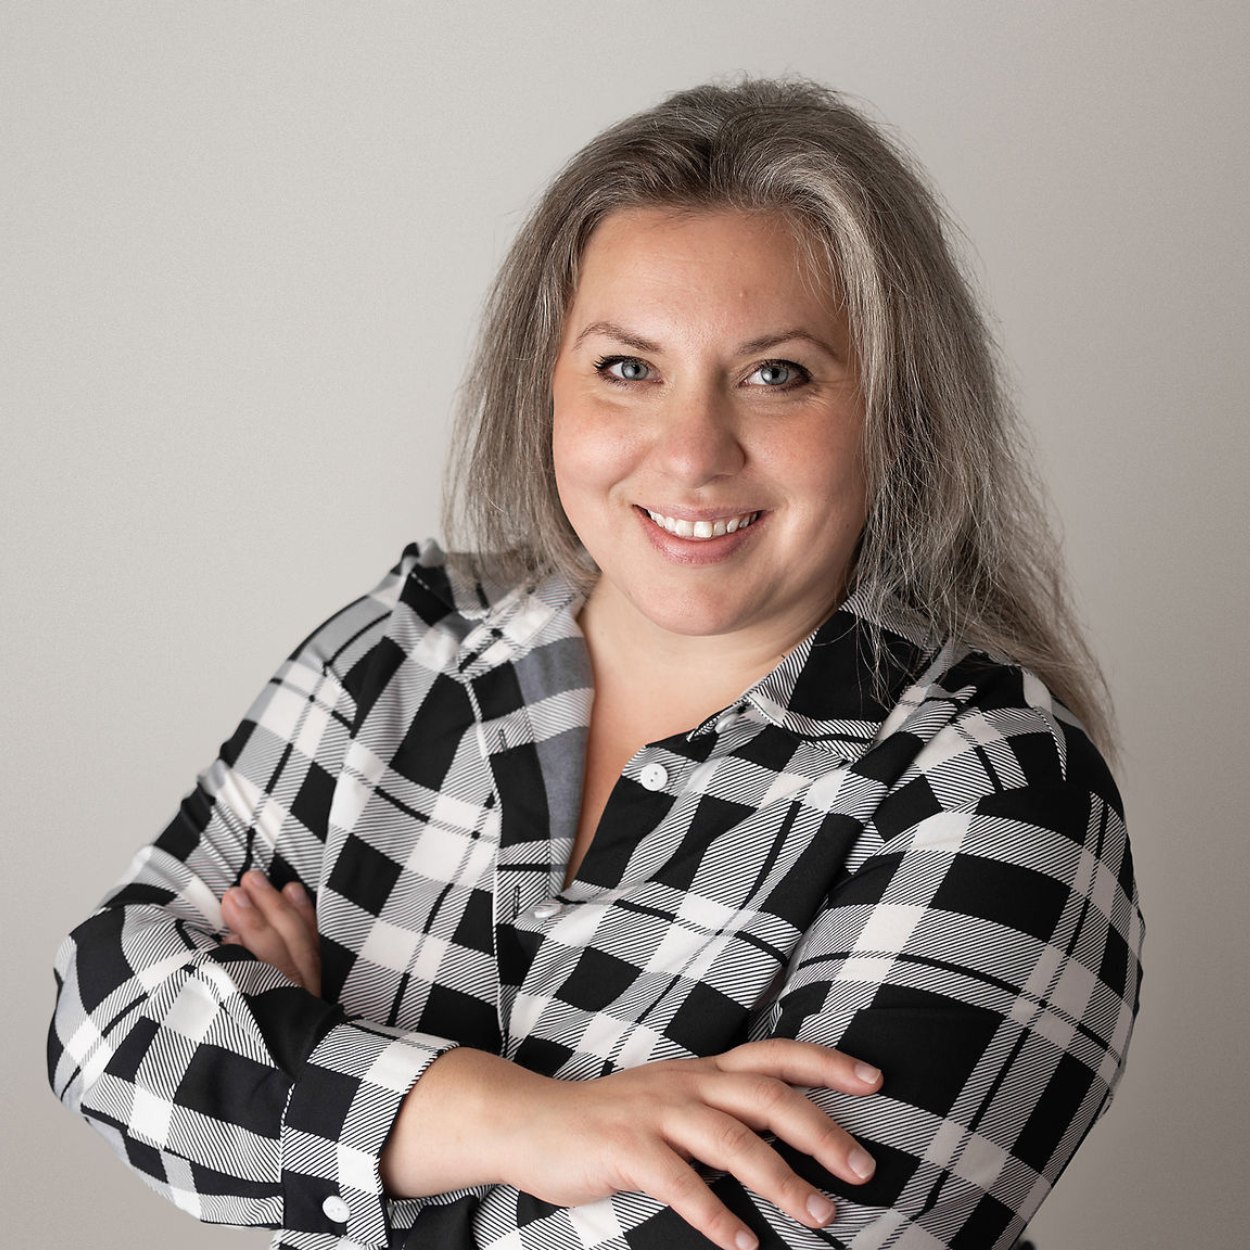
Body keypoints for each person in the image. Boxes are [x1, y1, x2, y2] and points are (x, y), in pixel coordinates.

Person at [47, 78, 1142, 1250]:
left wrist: (304, 1079)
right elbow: (107, 1015)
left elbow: (785, 1236)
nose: (691, 451)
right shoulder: (398, 646)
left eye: (777, 373)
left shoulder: (1000, 794)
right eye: (627, 366)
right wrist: (521, 1123)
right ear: (546, 386)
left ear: (895, 412)